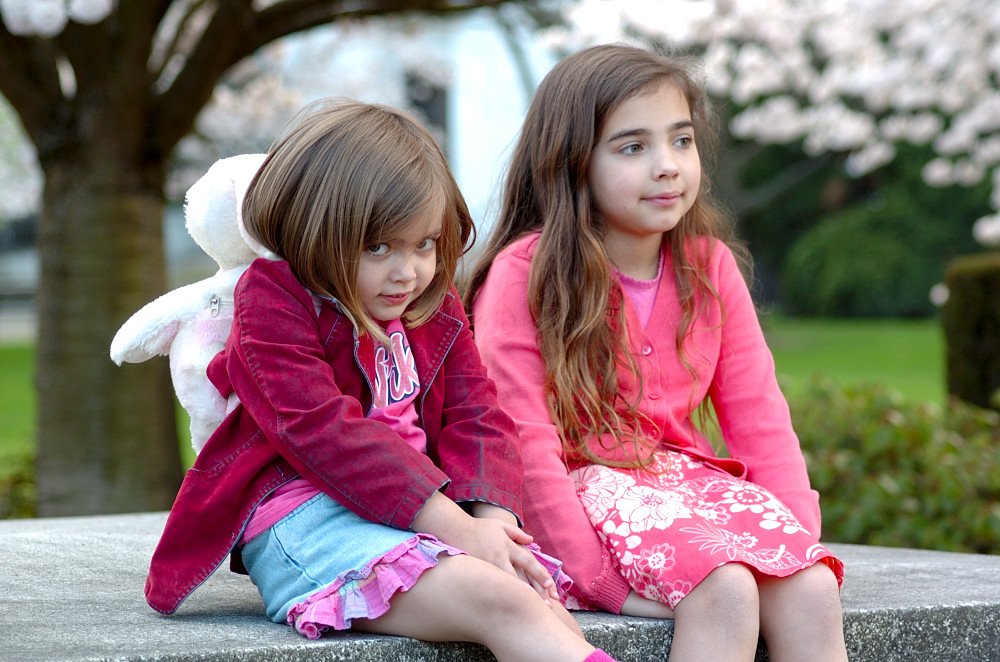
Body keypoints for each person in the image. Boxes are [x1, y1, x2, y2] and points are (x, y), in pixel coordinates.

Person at [142, 99, 617, 662]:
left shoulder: (431, 303)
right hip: (308, 516)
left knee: (536, 596)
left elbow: (477, 415)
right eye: (378, 247)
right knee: (502, 600)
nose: (407, 271)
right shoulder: (275, 300)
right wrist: (460, 532)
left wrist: (494, 524)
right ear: (312, 229)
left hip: (423, 511)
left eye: (425, 245)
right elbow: (322, 431)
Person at [465, 44, 848, 661]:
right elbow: (521, 437)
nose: (668, 166)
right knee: (725, 590)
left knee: (811, 590)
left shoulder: (709, 267)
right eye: (633, 147)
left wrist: (798, 536)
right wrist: (589, 575)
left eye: (682, 141)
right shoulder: (526, 274)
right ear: (572, 163)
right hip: (581, 488)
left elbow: (759, 414)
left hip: (685, 484)